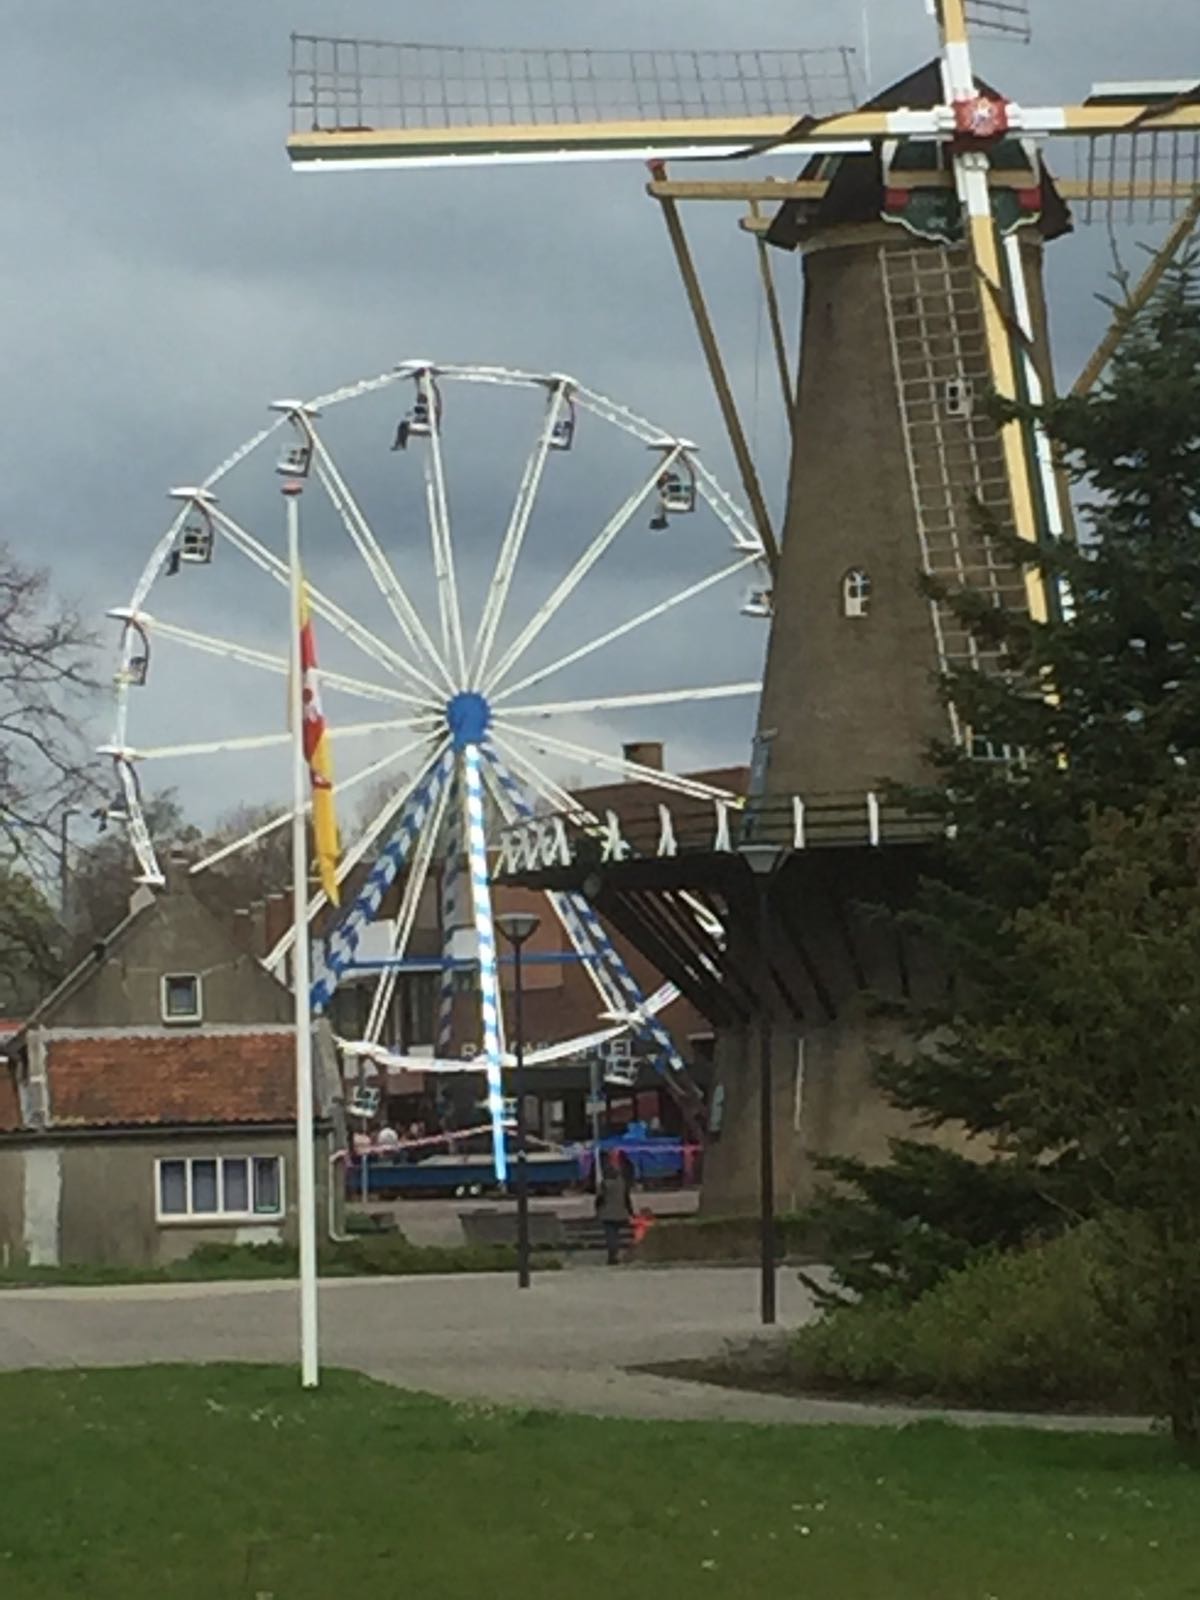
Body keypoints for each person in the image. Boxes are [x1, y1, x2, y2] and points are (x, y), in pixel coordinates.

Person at [595, 1150, 633, 1266]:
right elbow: (627, 1198)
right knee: (616, 1235)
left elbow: (599, 1199)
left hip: (607, 1214)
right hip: (620, 1213)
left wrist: (597, 1210)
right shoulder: (622, 1182)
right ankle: (616, 1254)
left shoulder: (605, 1184)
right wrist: (630, 1211)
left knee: (611, 1237)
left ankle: (612, 1256)